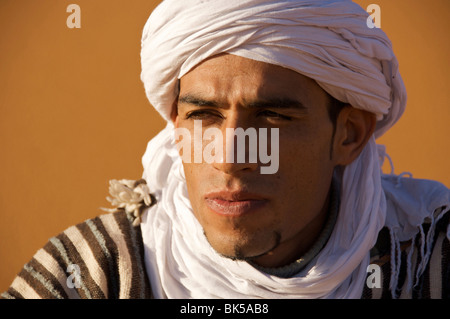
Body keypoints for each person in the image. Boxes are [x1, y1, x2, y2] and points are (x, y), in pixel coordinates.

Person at [2, 0, 449, 299]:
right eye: (203, 116)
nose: (229, 158)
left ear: (348, 135)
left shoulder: (430, 255)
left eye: (273, 117)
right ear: (175, 125)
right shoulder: (89, 275)